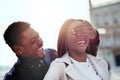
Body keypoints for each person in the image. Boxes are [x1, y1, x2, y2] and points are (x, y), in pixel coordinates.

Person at [44, 19, 110, 80]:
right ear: (65, 39)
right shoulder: (58, 65)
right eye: (75, 31)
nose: (80, 35)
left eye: (83, 31)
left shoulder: (101, 63)